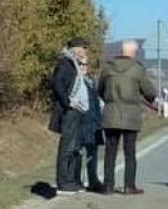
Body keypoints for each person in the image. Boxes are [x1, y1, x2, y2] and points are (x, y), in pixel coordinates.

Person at [99, 40, 157, 194]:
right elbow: (150, 92)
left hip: (111, 112)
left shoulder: (107, 68)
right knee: (129, 152)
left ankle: (108, 186)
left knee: (110, 151)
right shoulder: (137, 69)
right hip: (131, 114)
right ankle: (129, 185)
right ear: (134, 53)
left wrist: (110, 101)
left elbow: (100, 89)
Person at [48, 37, 90, 194]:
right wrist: (67, 102)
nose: (85, 52)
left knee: (75, 147)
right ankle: (63, 181)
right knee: (67, 146)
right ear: (76, 49)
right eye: (84, 48)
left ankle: (72, 179)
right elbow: (57, 83)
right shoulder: (65, 63)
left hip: (78, 110)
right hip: (70, 111)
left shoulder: (75, 65)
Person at [79, 60, 105, 193]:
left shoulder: (91, 81)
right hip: (82, 121)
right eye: (81, 65)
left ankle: (93, 179)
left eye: (85, 65)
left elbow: (97, 102)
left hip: (94, 121)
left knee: (93, 153)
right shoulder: (77, 81)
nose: (84, 67)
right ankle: (78, 179)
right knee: (79, 152)